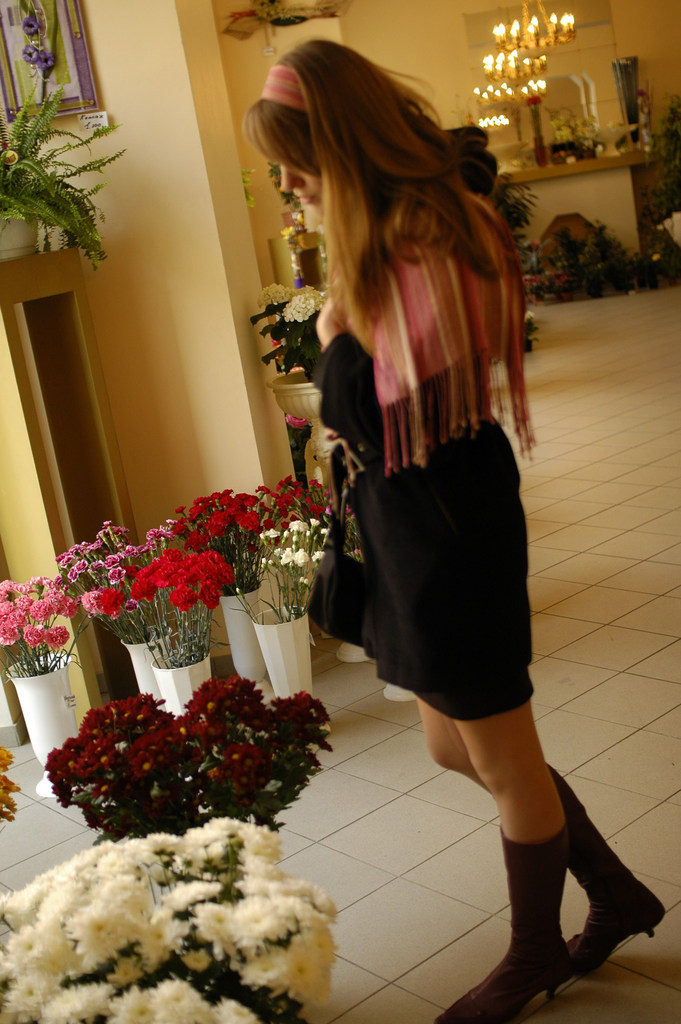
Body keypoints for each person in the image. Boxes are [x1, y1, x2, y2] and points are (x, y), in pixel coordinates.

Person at [244, 41, 665, 1024]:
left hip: (446, 523)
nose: (289, 186)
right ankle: (614, 893)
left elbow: (379, 398)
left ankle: (535, 952)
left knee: (502, 755)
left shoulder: (427, 233)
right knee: (451, 743)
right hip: (407, 520)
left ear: (340, 144)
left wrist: (337, 328)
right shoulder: (387, 233)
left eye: (296, 164)